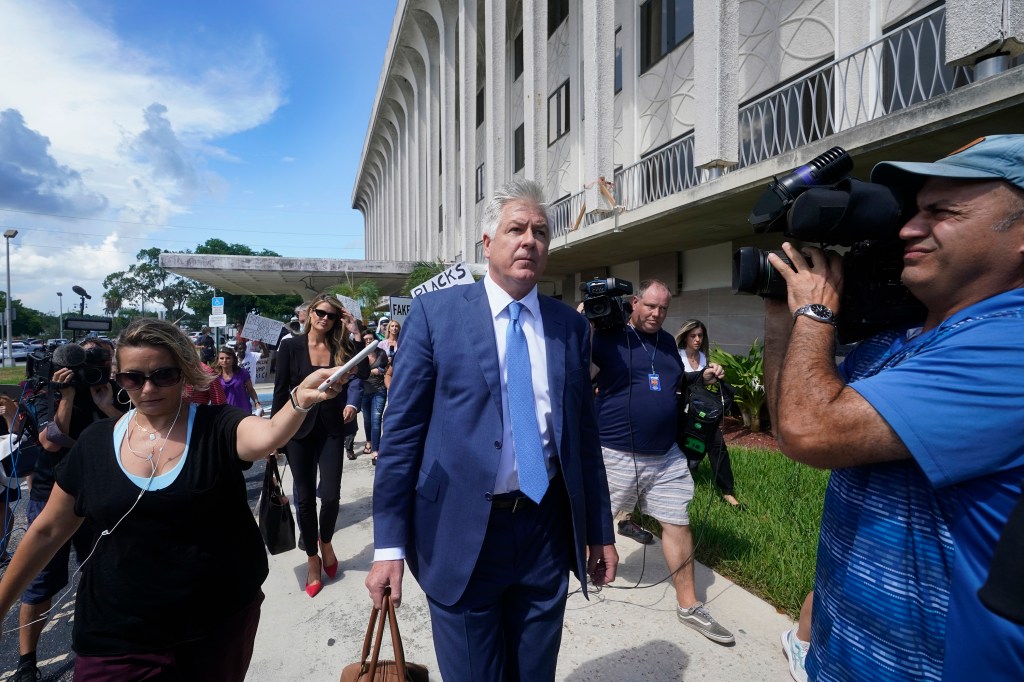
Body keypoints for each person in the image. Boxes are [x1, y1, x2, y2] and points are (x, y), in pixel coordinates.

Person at [763, 134, 1024, 680]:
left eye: (941, 212)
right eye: (913, 211)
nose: (908, 228)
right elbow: (789, 426)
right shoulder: (897, 342)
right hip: (841, 654)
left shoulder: (1011, 346)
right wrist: (781, 311)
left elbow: (812, 431)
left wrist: (813, 312)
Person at [366, 178, 618, 682]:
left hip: (544, 532)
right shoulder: (436, 315)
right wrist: (388, 545)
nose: (530, 240)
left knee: (535, 673)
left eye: (541, 232)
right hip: (460, 534)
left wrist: (598, 533)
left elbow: (583, 440)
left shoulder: (568, 326)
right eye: (517, 229)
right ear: (487, 243)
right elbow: (401, 436)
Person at [0, 318, 347, 681]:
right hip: (117, 636)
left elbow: (268, 436)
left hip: (216, 628)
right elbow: (46, 532)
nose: (148, 388)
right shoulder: (95, 443)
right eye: (133, 378)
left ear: (184, 372)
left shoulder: (218, 425)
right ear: (118, 379)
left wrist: (299, 401)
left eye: (163, 375)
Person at [591, 280, 735, 645]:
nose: (656, 314)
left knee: (677, 521)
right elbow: (571, 377)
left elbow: (674, 381)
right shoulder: (606, 339)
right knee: (590, 520)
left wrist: (701, 376)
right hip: (616, 452)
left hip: (665, 454)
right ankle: (567, 575)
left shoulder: (669, 343)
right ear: (635, 303)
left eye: (663, 309)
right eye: (650, 306)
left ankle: (689, 605)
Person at [10, 338, 124, 682]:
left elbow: (138, 432)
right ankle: (26, 662)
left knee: (102, 573)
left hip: (102, 494)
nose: (91, 367)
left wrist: (106, 406)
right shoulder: (49, 389)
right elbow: (49, 439)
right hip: (51, 494)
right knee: (40, 582)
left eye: (100, 359)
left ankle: (98, 641)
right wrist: (68, 396)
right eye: (84, 360)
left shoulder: (116, 390)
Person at [273, 293, 365, 598]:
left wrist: (354, 329)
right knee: (304, 499)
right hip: (298, 429)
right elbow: (279, 391)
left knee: (330, 495)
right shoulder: (290, 346)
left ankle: (326, 541)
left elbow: (362, 373)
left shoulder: (341, 345)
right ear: (310, 313)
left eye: (331, 315)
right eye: (321, 313)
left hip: (330, 430)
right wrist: (275, 433)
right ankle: (312, 556)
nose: (325, 319)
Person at [674, 319, 744, 509]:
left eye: (700, 335)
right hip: (680, 414)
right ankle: (680, 478)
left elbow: (706, 385)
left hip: (701, 413)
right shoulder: (676, 356)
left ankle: (727, 491)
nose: (697, 339)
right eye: (692, 336)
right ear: (685, 337)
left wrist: (715, 375)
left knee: (718, 445)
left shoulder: (704, 358)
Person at [358, 331, 387, 463]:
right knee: (367, 420)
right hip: (364, 392)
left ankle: (376, 450)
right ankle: (369, 441)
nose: (369, 341)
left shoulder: (381, 353)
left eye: (371, 339)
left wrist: (380, 370)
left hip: (379, 391)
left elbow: (386, 368)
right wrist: (370, 372)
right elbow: (356, 372)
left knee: (376, 420)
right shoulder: (359, 355)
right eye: (366, 340)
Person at [216, 346, 260, 413]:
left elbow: (250, 390)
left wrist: (257, 404)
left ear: (233, 360)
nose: (224, 360)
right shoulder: (215, 376)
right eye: (221, 358)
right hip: (225, 413)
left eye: (228, 358)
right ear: (218, 360)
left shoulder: (243, 372)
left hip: (244, 411)